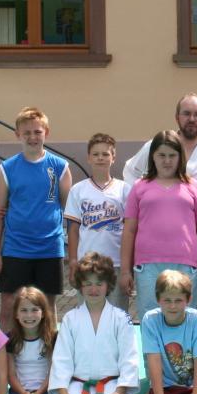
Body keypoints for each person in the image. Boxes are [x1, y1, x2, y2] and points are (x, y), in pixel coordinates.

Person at [124, 93, 197, 376]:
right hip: (150, 257)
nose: (191, 119)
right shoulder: (142, 182)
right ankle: (158, 378)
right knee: (154, 317)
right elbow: (131, 221)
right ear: (177, 117)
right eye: (186, 113)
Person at [0, 106, 72, 335]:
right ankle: (2, 361)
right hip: (16, 249)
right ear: (17, 134)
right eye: (26, 132)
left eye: (37, 132)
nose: (32, 137)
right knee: (8, 305)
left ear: (46, 132)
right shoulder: (7, 168)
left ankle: (51, 361)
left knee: (47, 307)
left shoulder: (60, 167)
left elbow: (70, 211)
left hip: (50, 249)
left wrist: (74, 252)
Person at [120, 128, 197, 320]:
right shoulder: (140, 187)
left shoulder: (194, 187)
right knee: (151, 319)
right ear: (152, 157)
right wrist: (125, 270)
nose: (167, 160)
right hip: (147, 266)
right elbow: (129, 230)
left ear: (180, 157)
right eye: (161, 155)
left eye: (172, 155)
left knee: (184, 319)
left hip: (186, 264)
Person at [49, 253, 139, 394]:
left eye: (99, 283)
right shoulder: (70, 318)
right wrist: (62, 391)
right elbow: (62, 356)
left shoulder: (121, 318)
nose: (93, 289)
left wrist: (121, 391)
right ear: (80, 286)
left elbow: (129, 356)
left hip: (111, 385)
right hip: (78, 384)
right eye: (88, 283)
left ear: (108, 286)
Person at [65, 132, 131, 310]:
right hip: (86, 265)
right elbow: (73, 230)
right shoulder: (78, 190)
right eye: (96, 154)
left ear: (113, 157)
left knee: (117, 314)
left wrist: (128, 267)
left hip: (116, 263)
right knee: (87, 315)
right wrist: (73, 262)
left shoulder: (125, 189)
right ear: (88, 158)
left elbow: (130, 230)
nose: (100, 158)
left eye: (105, 154)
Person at [4, 286, 57, 394]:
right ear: (16, 314)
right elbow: (11, 375)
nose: (29, 316)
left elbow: (53, 371)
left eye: (34, 310)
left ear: (44, 313)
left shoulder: (51, 338)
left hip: (45, 389)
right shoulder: (11, 340)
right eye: (24, 310)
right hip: (20, 390)